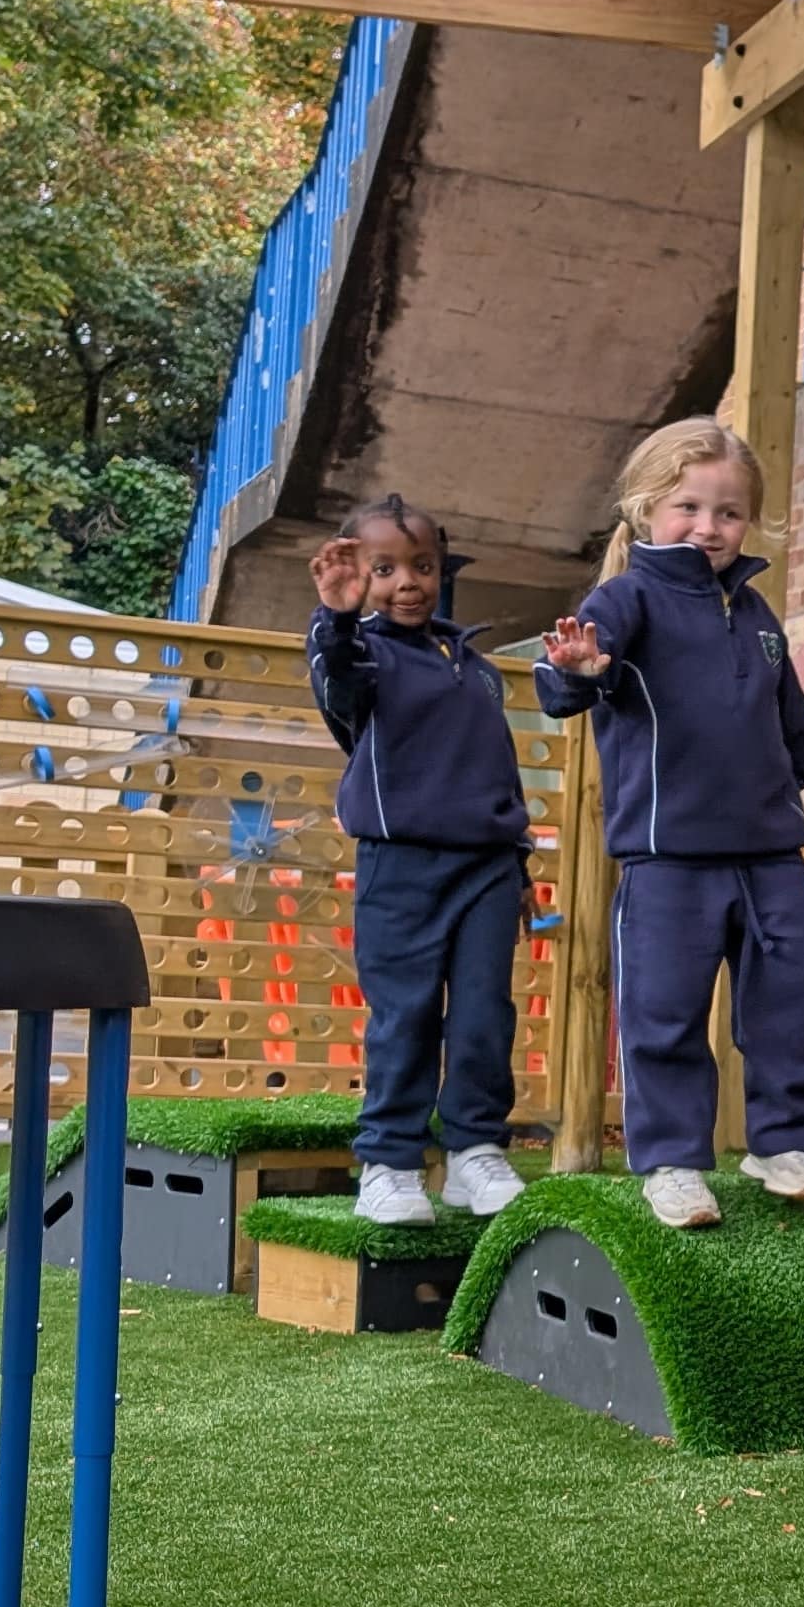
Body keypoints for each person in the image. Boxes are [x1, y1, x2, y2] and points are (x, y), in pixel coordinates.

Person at [537, 419, 804, 1231]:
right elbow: (570, 676)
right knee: (666, 1013)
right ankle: (674, 1164)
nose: (708, 527)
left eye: (728, 512)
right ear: (648, 509)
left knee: (797, 999)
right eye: (689, 507)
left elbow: (793, 725)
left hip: (767, 851)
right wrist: (574, 672)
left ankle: (783, 1144)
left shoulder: (756, 614)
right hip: (667, 857)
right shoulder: (627, 599)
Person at [307, 494, 531, 1227]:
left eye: (423, 566)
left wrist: (518, 861)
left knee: (482, 1015)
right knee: (403, 1016)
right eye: (385, 569)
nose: (408, 582)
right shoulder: (361, 652)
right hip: (400, 866)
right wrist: (338, 618)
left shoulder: (474, 666)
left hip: (489, 868)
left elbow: (497, 769)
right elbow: (337, 685)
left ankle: (474, 1153)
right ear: (358, 576)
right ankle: (390, 1163)